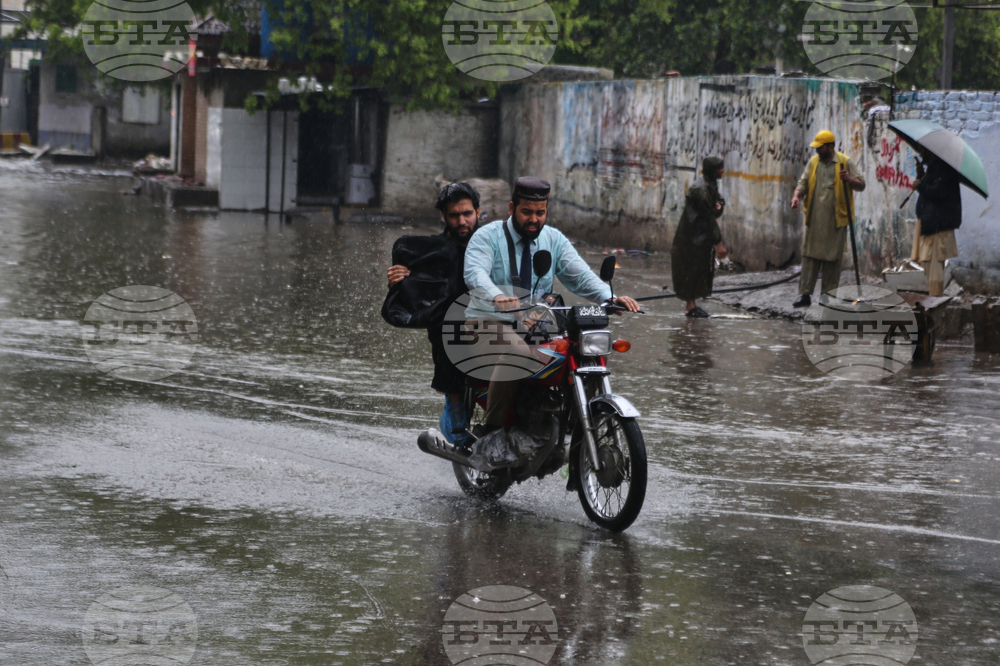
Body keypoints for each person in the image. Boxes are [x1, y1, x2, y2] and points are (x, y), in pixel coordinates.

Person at [462, 176, 640, 433]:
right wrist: (496, 295)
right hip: (488, 322)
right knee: (518, 351)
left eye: (540, 213)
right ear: (511, 208)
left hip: (538, 324)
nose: (534, 219)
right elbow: (475, 273)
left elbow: (580, 276)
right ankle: (492, 430)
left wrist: (609, 297)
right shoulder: (486, 237)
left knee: (586, 351)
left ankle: (576, 430)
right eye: (527, 212)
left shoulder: (554, 239)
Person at [387, 182, 480, 443]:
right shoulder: (431, 252)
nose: (462, 221)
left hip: (489, 318)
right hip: (448, 324)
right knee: (446, 331)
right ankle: (455, 409)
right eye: (454, 215)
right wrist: (400, 281)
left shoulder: (495, 244)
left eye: (467, 214)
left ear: (478, 211)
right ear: (443, 216)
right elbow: (419, 288)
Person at [790, 130, 866, 307]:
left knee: (832, 260)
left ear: (830, 147)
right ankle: (805, 294)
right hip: (815, 219)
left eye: (820, 147)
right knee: (809, 257)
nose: (817, 150)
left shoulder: (844, 162)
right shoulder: (813, 162)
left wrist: (849, 179)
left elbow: (861, 184)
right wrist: (796, 196)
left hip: (836, 220)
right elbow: (803, 182)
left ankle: (827, 296)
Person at [671, 156, 727, 317]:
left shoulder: (710, 184)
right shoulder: (700, 190)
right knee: (691, 271)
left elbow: (717, 202)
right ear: (713, 170)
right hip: (691, 238)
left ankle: (691, 305)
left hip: (700, 237)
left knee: (700, 271)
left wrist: (718, 206)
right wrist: (719, 243)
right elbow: (708, 217)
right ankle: (690, 306)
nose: (723, 171)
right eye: (720, 168)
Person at [910, 147, 961, 296]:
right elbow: (933, 186)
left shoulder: (944, 168)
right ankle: (934, 297)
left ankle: (935, 299)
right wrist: (922, 176)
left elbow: (939, 192)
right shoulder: (936, 168)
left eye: (924, 150)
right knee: (928, 262)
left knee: (933, 264)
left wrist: (920, 185)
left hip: (937, 224)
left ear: (932, 151)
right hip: (930, 222)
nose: (921, 153)